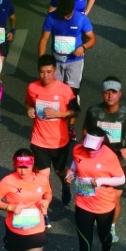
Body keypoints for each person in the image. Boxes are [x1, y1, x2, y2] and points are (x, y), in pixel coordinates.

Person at [83, 77, 126, 244]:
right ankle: (96, 217)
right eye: (107, 92)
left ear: (120, 94)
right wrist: (88, 146)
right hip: (97, 161)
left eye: (114, 92)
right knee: (96, 193)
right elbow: (86, 129)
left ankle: (111, 225)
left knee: (114, 198)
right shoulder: (93, 111)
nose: (110, 95)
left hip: (120, 163)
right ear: (102, 93)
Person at [37, 0, 96, 140]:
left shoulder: (81, 19)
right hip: (56, 61)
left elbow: (92, 39)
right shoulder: (51, 17)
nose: (65, 17)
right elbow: (44, 40)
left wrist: (83, 47)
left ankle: (70, 127)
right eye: (62, 14)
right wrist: (42, 63)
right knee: (54, 93)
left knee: (72, 94)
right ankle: (55, 124)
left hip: (74, 62)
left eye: (68, 14)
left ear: (73, 9)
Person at [25, 54, 78, 212]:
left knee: (60, 171)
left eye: (49, 71)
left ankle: (65, 185)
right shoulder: (32, 88)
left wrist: (58, 114)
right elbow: (28, 102)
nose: (45, 75)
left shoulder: (65, 90)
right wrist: (29, 109)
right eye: (42, 72)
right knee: (42, 177)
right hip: (39, 141)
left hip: (59, 142)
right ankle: (43, 211)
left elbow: (75, 111)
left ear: (55, 71)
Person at [66, 128, 125, 251]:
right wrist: (70, 173)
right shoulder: (78, 149)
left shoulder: (110, 156)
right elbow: (76, 163)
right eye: (88, 147)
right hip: (83, 203)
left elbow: (121, 179)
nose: (90, 150)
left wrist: (100, 181)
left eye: (93, 148)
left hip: (103, 206)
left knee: (104, 238)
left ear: (102, 143)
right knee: (85, 244)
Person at [0, 148, 51, 251]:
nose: (23, 171)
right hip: (15, 230)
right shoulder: (8, 181)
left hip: (36, 229)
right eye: (20, 167)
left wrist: (47, 201)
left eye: (26, 167)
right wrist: (10, 207)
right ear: (15, 165)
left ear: (32, 165)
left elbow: (48, 194)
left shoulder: (42, 179)